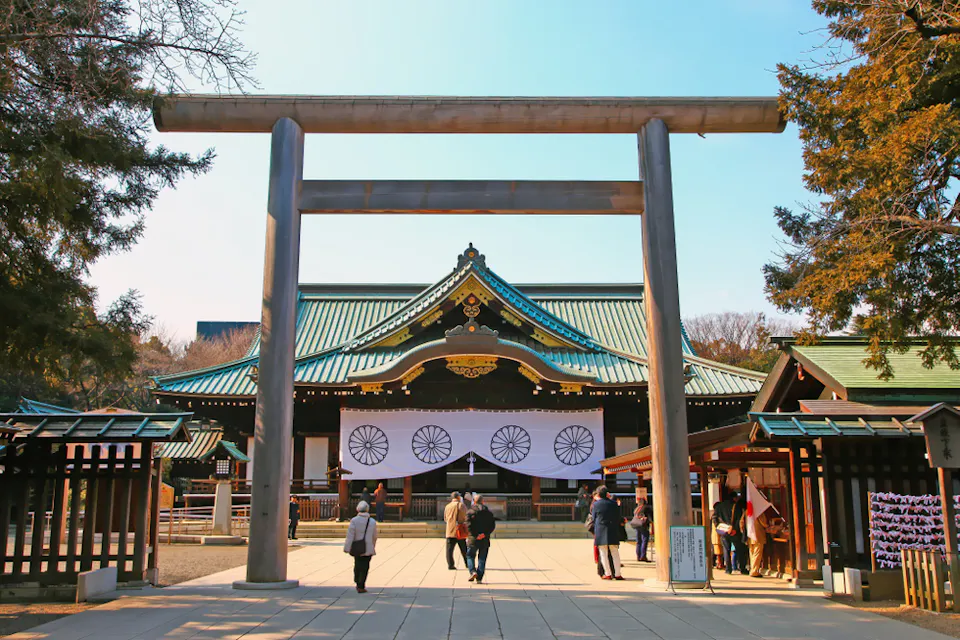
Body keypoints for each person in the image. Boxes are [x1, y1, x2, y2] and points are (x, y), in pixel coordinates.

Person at [590, 486, 624, 580]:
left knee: (603, 553)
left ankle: (607, 573)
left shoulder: (596, 504)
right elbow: (618, 516)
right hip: (612, 529)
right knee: (615, 552)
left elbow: (593, 518)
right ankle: (617, 574)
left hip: (601, 529)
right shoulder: (614, 503)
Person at [343, 501, 378, 593]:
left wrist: (347, 547)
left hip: (357, 547)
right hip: (368, 547)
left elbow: (350, 535)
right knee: (365, 566)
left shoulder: (354, 521)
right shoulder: (372, 521)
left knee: (357, 564)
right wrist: (373, 545)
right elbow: (374, 536)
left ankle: (357, 580)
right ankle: (361, 584)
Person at [712, 491, 748, 575]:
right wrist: (735, 529)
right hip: (734, 531)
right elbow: (739, 518)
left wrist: (719, 526)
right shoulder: (736, 506)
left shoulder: (719, 506)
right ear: (734, 498)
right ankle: (742, 568)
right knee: (739, 549)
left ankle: (728, 569)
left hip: (724, 531)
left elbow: (714, 517)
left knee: (726, 549)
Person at [466, 494, 496, 584]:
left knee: (470, 555)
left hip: (473, 538)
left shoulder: (470, 512)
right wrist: (484, 534)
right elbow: (492, 526)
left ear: (474, 501)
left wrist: (475, 535)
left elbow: (468, 525)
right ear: (483, 501)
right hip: (485, 538)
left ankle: (472, 571)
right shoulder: (488, 513)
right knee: (482, 558)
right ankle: (479, 577)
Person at [743, 508, 772, 578]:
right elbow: (763, 522)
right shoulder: (758, 511)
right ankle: (754, 571)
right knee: (757, 553)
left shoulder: (746, 511)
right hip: (758, 534)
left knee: (752, 553)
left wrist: (743, 531)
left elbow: (741, 522)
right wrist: (768, 526)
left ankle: (752, 569)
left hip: (749, 534)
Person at [443, 491, 468, 570]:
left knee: (449, 550)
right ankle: (468, 564)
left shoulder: (447, 506)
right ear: (458, 497)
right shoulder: (461, 505)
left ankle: (450, 565)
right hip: (459, 530)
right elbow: (465, 517)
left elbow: (445, 518)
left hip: (450, 530)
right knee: (464, 549)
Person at [710, 502, 725, 570]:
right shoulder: (715, 516)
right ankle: (719, 564)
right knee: (718, 551)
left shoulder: (715, 515)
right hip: (716, 535)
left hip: (717, 535)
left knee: (719, 551)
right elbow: (717, 525)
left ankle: (720, 563)